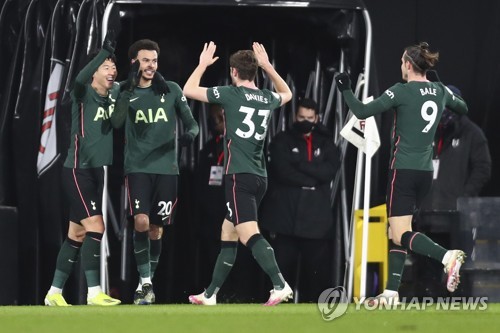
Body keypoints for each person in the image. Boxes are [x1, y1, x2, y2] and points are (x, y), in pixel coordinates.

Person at [335, 42, 469, 304]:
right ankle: (391, 293)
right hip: (425, 173)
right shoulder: (440, 91)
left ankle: (446, 256)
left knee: (400, 233)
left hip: (403, 171)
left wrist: (345, 89)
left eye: (401, 62)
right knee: (397, 230)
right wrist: (438, 85)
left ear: (408, 64)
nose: (400, 66)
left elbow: (362, 111)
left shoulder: (401, 91)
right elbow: (463, 108)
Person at [183, 41, 293, 305]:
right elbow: (287, 93)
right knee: (229, 232)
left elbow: (188, 90)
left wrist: (201, 65)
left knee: (247, 234)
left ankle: (280, 284)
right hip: (259, 177)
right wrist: (268, 67)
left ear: (233, 72)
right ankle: (210, 294)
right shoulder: (267, 98)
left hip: (239, 177)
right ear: (255, 71)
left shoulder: (229, 94)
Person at [111, 39, 199, 305]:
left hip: (167, 170)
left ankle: (143, 284)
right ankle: (147, 282)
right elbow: (116, 122)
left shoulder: (171, 89)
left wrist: (189, 136)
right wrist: (127, 91)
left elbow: (191, 123)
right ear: (134, 62)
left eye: (154, 60)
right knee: (140, 221)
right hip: (137, 167)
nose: (151, 65)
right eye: (146, 60)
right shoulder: (124, 90)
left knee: (156, 229)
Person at [44, 32, 121, 306]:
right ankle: (94, 293)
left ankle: (54, 293)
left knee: (76, 234)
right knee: (96, 226)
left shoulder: (113, 96)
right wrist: (101, 52)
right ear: (94, 73)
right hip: (77, 170)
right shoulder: (82, 93)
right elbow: (77, 79)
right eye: (105, 67)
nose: (112, 71)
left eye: (113, 66)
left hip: (97, 172)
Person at [260, 97, 340, 302]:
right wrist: (313, 174)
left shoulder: (327, 142)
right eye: (302, 117)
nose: (305, 121)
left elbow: (329, 171)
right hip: (285, 219)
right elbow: (282, 171)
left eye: (310, 118)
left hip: (316, 222)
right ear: (295, 116)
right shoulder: (282, 140)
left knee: (315, 275)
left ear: (317, 118)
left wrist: (300, 164)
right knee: (280, 272)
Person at [414, 85, 491, 297]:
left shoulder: (471, 133)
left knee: (457, 275)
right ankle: (426, 317)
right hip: (427, 217)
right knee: (426, 275)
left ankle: (459, 316)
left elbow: (483, 168)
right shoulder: (425, 131)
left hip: (456, 220)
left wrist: (464, 197)